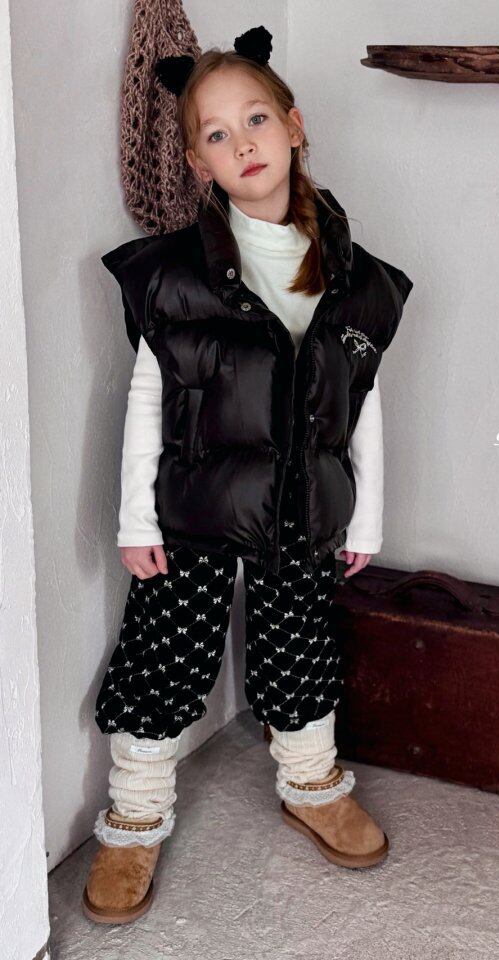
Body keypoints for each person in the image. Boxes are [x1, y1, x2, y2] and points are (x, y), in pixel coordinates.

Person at [82, 26, 413, 924]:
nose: (244, 144)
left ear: (295, 126)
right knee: (165, 652)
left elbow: (363, 404)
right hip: (194, 504)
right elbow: (147, 397)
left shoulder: (358, 281)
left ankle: (312, 783)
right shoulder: (173, 277)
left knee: (300, 644)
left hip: (303, 505)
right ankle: (134, 816)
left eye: (257, 119)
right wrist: (136, 520)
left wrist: (366, 519)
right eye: (218, 134)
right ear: (200, 163)